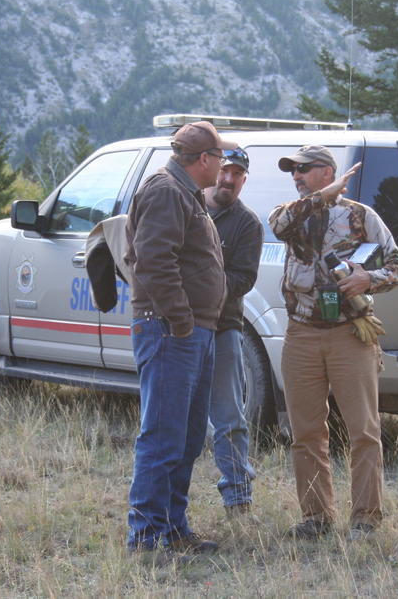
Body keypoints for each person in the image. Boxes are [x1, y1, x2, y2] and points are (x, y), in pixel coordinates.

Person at [268, 144, 398, 541]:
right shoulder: (290, 215)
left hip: (350, 333)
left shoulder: (362, 216)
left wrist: (369, 279)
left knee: (363, 429)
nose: (296, 175)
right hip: (301, 334)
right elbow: (277, 227)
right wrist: (317, 199)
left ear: (328, 172)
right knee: (306, 431)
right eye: (292, 170)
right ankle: (316, 517)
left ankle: (365, 518)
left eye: (304, 169)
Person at [123, 120, 233, 554]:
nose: (223, 168)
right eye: (220, 158)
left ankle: (171, 527)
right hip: (170, 330)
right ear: (203, 159)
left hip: (192, 331)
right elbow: (152, 260)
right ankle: (147, 535)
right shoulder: (166, 190)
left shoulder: (185, 193)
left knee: (186, 437)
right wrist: (182, 320)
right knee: (163, 434)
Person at [202, 147, 263, 516]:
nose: (228, 179)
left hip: (223, 327)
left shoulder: (247, 224)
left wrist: (202, 284)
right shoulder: (187, 206)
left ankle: (238, 498)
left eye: (236, 174)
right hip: (178, 329)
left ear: (243, 179)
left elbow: (243, 279)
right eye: (224, 170)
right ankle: (167, 504)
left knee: (229, 417)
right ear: (212, 170)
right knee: (175, 417)